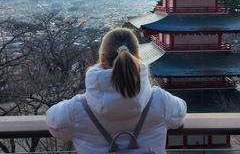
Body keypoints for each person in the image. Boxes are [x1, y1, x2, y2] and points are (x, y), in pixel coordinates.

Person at [46, 27, 187, 154]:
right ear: (137, 58)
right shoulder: (160, 100)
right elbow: (180, 113)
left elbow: (53, 122)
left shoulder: (76, 110)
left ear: (102, 60)